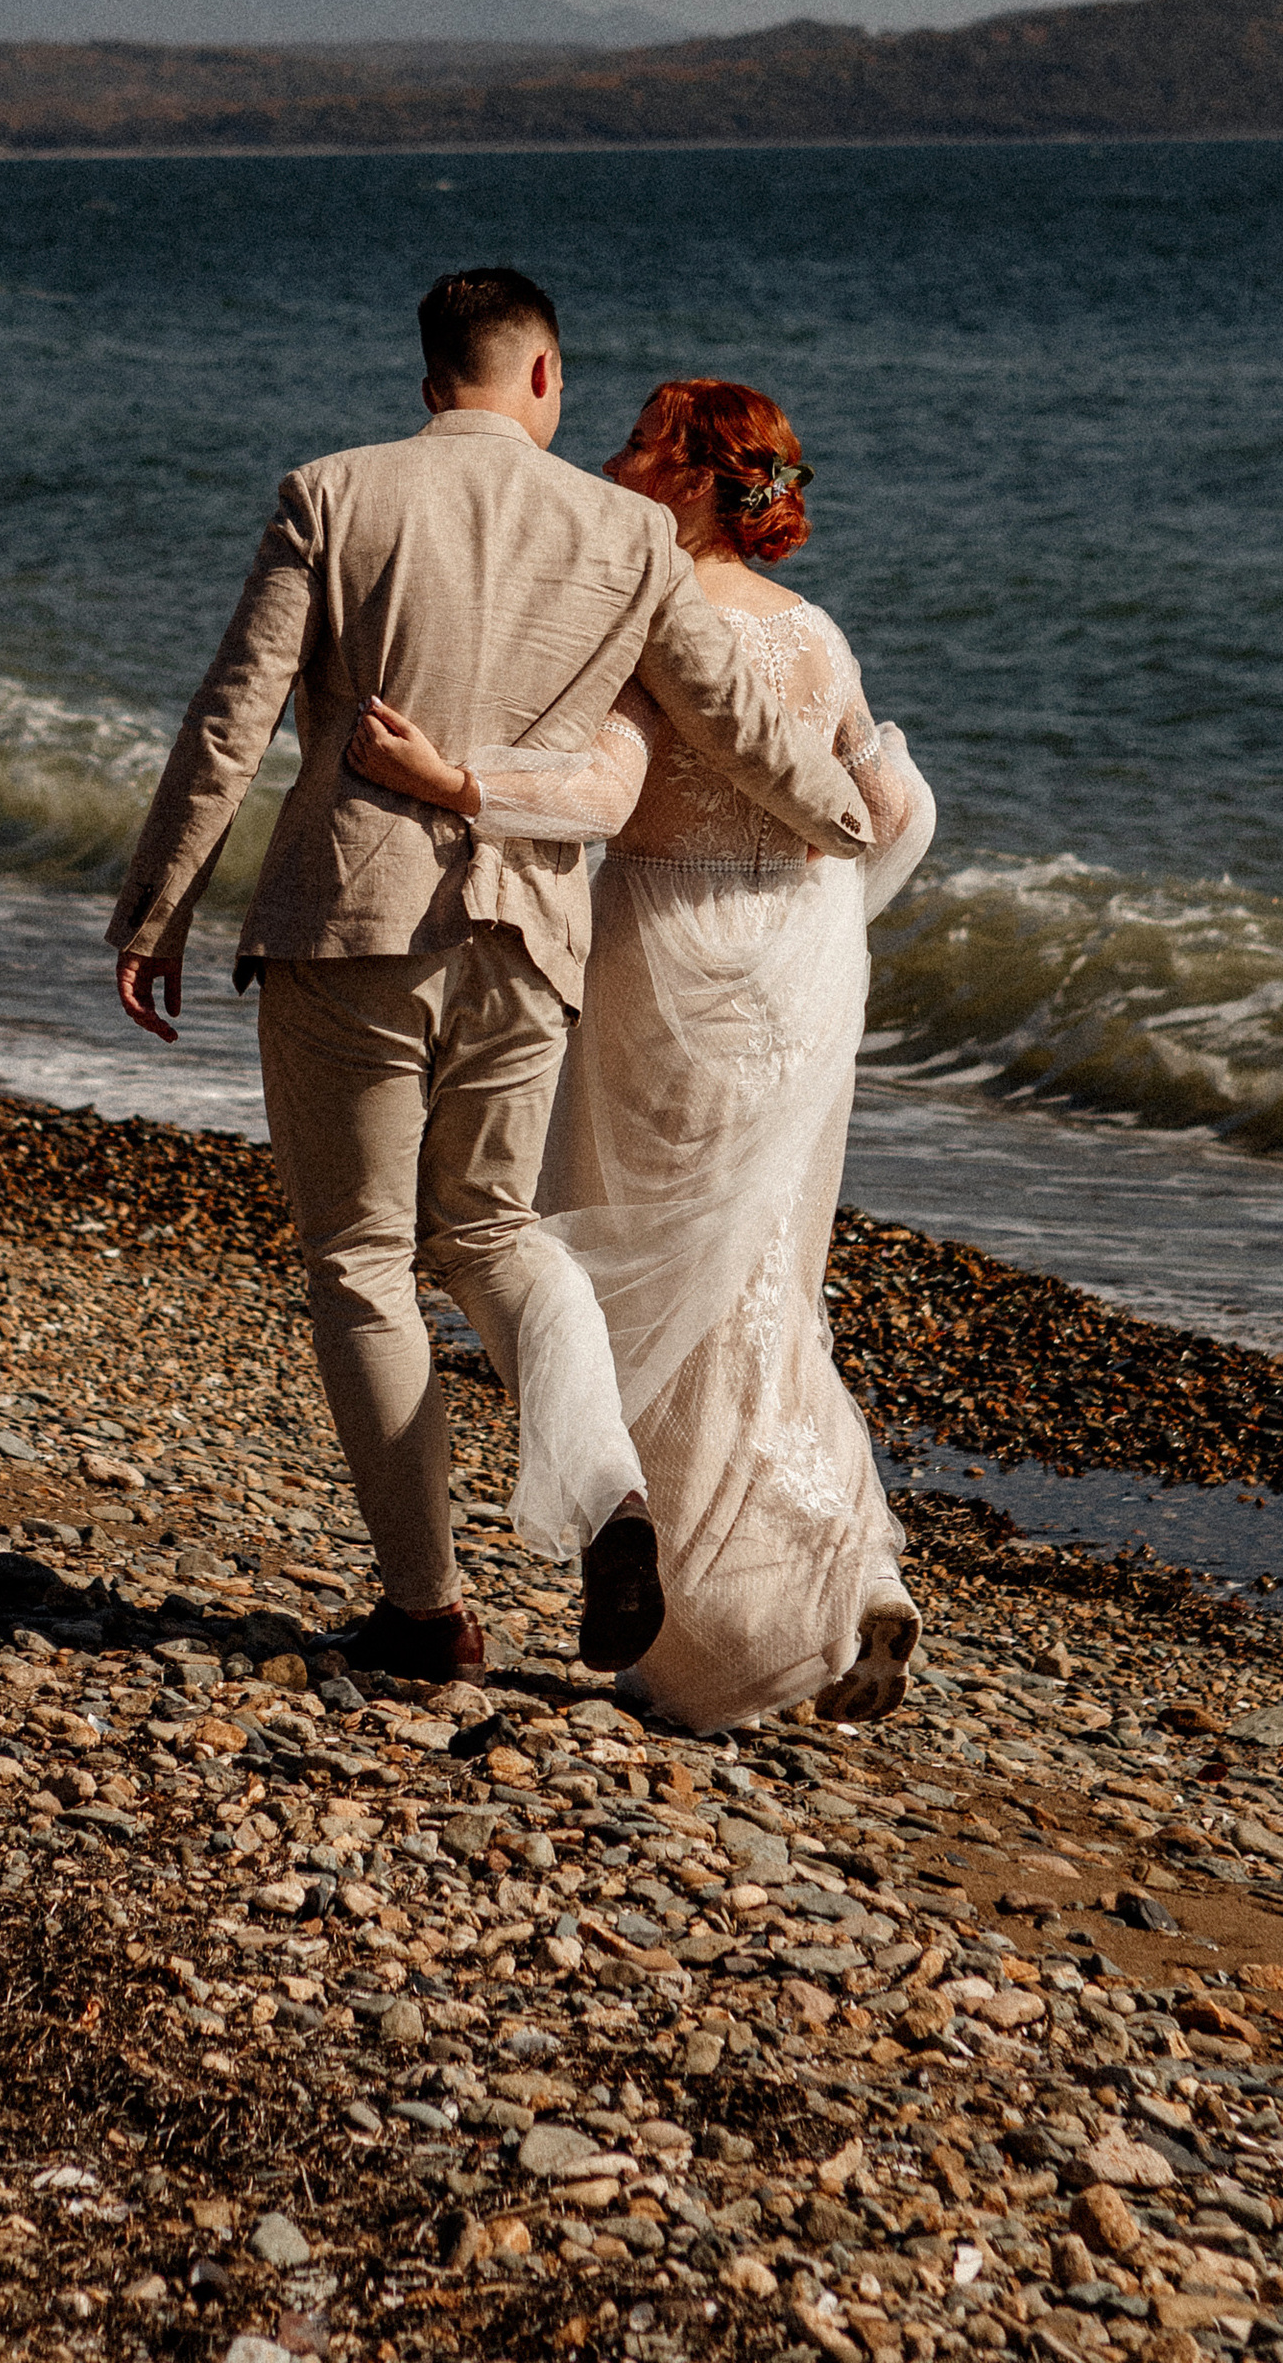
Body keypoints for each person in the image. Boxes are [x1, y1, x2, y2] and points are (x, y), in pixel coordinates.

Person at [107, 271, 883, 1689]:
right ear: (544, 380)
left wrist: (157, 907)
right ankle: (611, 1504)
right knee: (499, 1237)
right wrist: (848, 816)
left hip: (353, 922)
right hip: (527, 932)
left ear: (429, 382)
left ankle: (428, 1609)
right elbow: (733, 714)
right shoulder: (627, 533)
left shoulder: (330, 495)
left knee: (359, 1264)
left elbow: (234, 720)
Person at [345, 374, 935, 1733]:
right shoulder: (818, 636)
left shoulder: (650, 615)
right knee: (763, 1276)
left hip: (669, 960)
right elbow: (890, 802)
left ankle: (715, 1643)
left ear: (685, 479)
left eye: (639, 444)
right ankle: (856, 1573)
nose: (611, 456)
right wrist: (823, 903)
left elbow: (605, 794)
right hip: (798, 967)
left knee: (648, 1276)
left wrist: (457, 786)